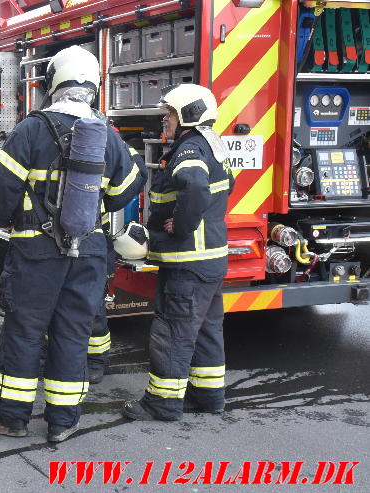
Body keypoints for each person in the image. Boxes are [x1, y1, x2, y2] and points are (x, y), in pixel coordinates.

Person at [0, 45, 147, 442]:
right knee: (72, 333)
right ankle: (63, 422)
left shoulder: (32, 128)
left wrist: (6, 218)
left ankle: (11, 418)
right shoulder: (106, 134)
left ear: (55, 82)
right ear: (92, 86)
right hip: (88, 252)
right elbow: (125, 192)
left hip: (36, 252)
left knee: (25, 331)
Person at [122, 83, 234, 423]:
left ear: (188, 114)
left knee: (173, 331)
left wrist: (181, 225)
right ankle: (209, 396)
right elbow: (225, 186)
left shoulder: (189, 150)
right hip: (211, 260)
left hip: (188, 261)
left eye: (169, 114)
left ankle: (162, 403)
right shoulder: (211, 144)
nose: (164, 121)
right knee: (206, 329)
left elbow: (196, 186)